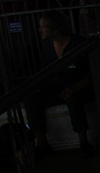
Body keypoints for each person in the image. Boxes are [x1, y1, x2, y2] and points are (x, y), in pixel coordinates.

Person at [24, 12, 94, 158]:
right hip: (59, 87)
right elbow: (46, 69)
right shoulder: (47, 46)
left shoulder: (78, 44)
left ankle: (83, 142)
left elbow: (92, 71)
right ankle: (42, 143)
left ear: (55, 29)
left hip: (80, 87)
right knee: (33, 98)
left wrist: (77, 86)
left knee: (73, 98)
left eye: (43, 27)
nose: (40, 30)